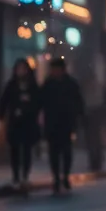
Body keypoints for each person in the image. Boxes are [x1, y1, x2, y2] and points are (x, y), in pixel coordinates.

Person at [40, 57, 84, 193]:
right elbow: (40, 101)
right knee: (54, 152)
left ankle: (64, 176)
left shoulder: (71, 84)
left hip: (66, 123)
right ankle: (56, 178)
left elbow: (79, 103)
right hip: (52, 123)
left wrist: (78, 119)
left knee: (66, 152)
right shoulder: (48, 84)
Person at [0, 59, 41, 190]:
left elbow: (38, 102)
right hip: (15, 122)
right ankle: (16, 175)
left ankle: (25, 176)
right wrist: (2, 115)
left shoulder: (32, 86)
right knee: (15, 150)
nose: (21, 71)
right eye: (19, 69)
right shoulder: (11, 85)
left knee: (27, 150)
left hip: (28, 122)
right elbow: (4, 101)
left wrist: (30, 110)